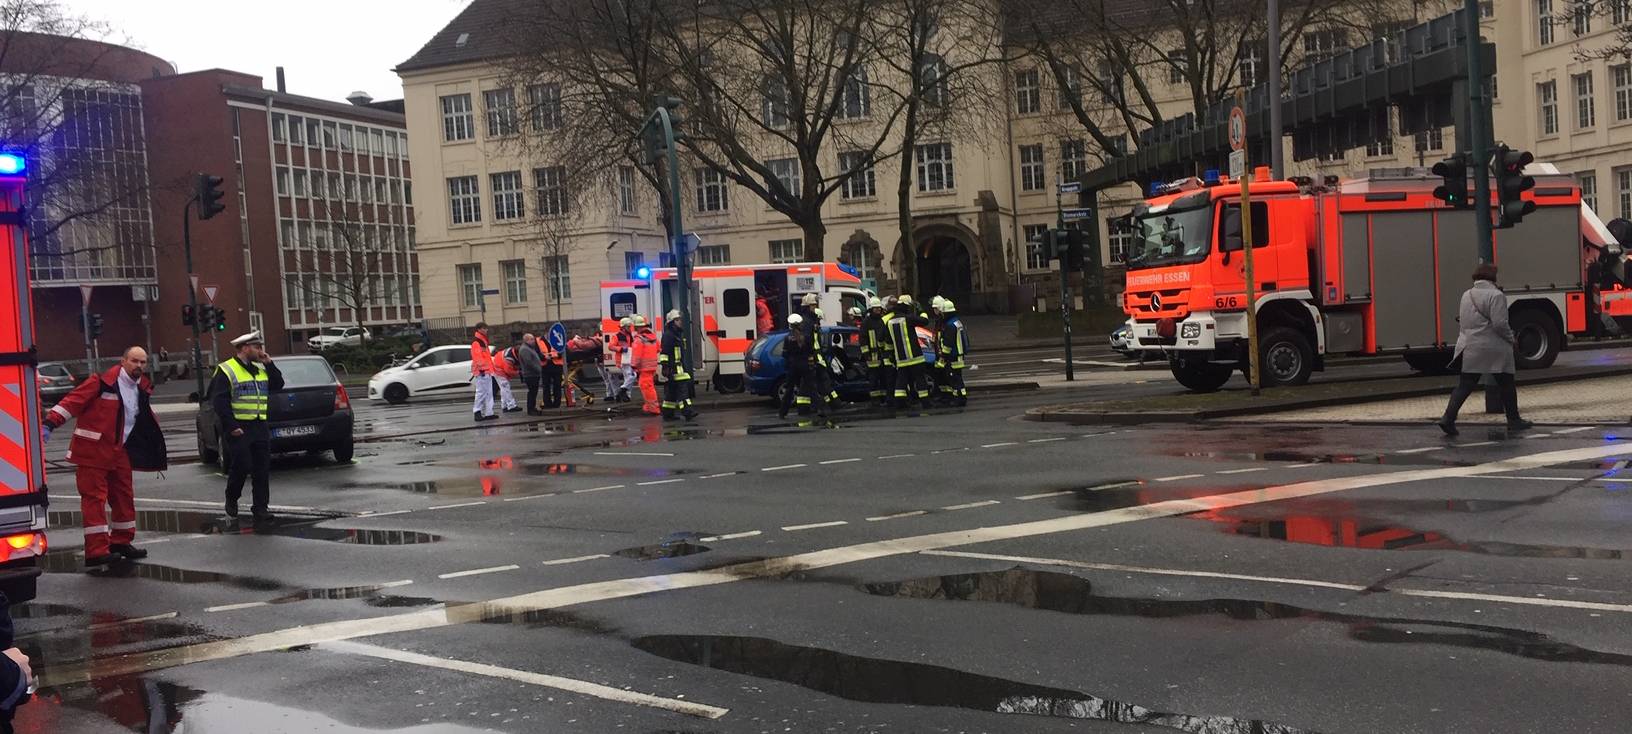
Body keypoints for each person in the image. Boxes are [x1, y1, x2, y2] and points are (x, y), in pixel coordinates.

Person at [43, 346, 167, 567]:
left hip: (119, 450)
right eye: (134, 361)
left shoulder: (141, 388)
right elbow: (72, 402)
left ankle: (120, 541)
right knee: (94, 500)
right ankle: (96, 550)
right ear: (123, 361)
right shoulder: (101, 382)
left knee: (123, 497)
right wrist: (50, 423)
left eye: (143, 362)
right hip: (92, 452)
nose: (139, 366)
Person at [1438, 264, 1532, 435]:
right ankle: (1514, 420)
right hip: (1493, 348)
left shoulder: (1466, 295)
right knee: (1506, 383)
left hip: (1470, 346)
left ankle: (1448, 418)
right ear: (1493, 278)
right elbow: (1499, 324)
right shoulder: (1496, 295)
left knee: (1465, 385)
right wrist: (1512, 339)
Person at [213, 332, 284, 522]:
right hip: (239, 426)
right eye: (257, 347)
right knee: (242, 465)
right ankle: (232, 496)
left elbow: (278, 384)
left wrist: (269, 363)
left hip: (259, 425)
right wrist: (231, 425)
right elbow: (220, 401)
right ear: (244, 348)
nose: (261, 350)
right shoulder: (226, 369)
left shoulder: (260, 369)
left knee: (262, 468)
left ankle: (260, 507)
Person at [886, 296, 932, 408]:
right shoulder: (908, 318)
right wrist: (921, 311)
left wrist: (891, 356)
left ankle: (899, 403)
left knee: (900, 382)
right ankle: (925, 402)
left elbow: (888, 342)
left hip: (901, 359)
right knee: (920, 379)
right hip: (915, 357)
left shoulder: (889, 322)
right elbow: (925, 321)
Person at [658, 309, 699, 420]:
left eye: (680, 319)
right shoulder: (669, 335)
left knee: (671, 393)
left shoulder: (676, 334)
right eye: (677, 320)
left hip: (677, 368)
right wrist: (665, 366)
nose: (680, 322)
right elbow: (664, 352)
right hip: (674, 369)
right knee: (683, 391)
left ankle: (668, 414)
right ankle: (687, 411)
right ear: (672, 322)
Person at [780, 313, 820, 419]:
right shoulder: (806, 337)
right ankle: (820, 409)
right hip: (805, 365)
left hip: (793, 367)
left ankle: (783, 412)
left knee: (789, 390)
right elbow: (811, 352)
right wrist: (811, 365)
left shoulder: (787, 338)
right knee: (812, 388)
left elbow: (784, 354)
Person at [934, 298, 969, 407]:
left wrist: (943, 356)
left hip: (953, 356)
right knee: (957, 377)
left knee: (954, 378)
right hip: (958, 355)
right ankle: (960, 396)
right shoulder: (956, 322)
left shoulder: (949, 325)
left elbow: (948, 344)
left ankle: (959, 398)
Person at [862, 297, 890, 405]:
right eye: (875, 308)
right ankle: (874, 400)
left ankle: (883, 398)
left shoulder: (882, 320)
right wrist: (866, 353)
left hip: (882, 354)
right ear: (871, 309)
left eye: (879, 308)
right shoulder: (866, 322)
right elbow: (863, 338)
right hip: (872, 356)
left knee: (883, 377)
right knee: (873, 379)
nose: (878, 310)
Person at [631, 315, 662, 415]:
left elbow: (637, 355)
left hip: (644, 367)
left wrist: (634, 365)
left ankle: (653, 408)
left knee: (646, 387)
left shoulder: (639, 339)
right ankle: (649, 406)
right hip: (652, 366)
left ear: (637, 327)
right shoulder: (652, 337)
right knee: (649, 386)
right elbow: (658, 348)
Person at [469, 323, 498, 422]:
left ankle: (489, 413)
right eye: (484, 328)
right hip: (483, 371)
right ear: (479, 329)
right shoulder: (477, 342)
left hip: (486, 371)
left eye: (486, 328)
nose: (486, 330)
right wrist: (482, 369)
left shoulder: (482, 341)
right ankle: (477, 411)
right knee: (481, 392)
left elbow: (484, 357)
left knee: (488, 393)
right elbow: (477, 357)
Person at [518, 333, 544, 415]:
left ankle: (533, 408)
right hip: (530, 374)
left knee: (534, 392)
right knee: (532, 392)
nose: (534, 341)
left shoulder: (530, 348)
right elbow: (528, 362)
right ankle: (531, 409)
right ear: (526, 340)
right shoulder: (525, 349)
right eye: (532, 339)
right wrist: (538, 369)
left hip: (533, 374)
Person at [612, 317, 637, 403]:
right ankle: (622, 391)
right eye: (628, 327)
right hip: (622, 360)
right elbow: (611, 346)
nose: (630, 328)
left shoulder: (629, 336)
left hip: (628, 359)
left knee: (628, 378)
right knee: (632, 376)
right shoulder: (616, 336)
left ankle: (625, 395)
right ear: (623, 327)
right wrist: (621, 349)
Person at [493, 341, 521, 413]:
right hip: (498, 369)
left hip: (497, 367)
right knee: (505, 387)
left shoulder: (512, 352)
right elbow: (508, 370)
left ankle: (505, 405)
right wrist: (518, 373)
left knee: (504, 388)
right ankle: (511, 406)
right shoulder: (509, 357)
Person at [540, 334, 564, 409]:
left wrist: (552, 355)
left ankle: (557, 403)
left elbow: (562, 351)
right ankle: (547, 403)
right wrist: (544, 357)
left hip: (557, 366)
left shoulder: (558, 339)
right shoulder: (539, 341)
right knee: (546, 386)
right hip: (545, 366)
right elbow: (537, 353)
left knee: (557, 385)